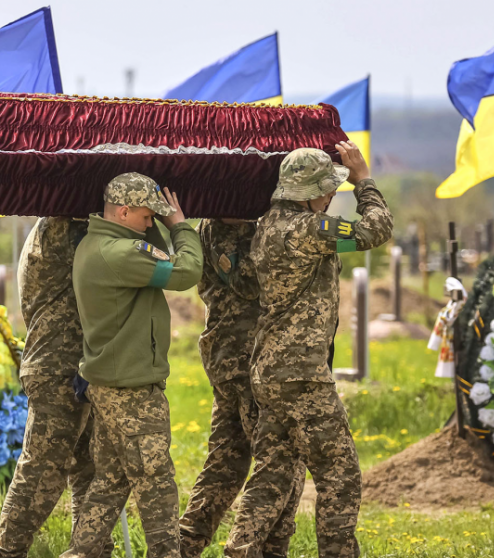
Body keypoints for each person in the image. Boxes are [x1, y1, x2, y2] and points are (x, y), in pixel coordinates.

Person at [224, 142, 393, 558]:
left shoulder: (268, 226)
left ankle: (239, 550)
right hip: (300, 374)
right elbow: (376, 230)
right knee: (340, 473)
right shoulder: (306, 230)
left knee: (272, 474)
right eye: (327, 189)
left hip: (270, 370)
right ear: (308, 193)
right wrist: (364, 181)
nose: (332, 196)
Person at [64, 172, 203, 558]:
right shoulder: (122, 254)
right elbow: (186, 272)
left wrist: (156, 218)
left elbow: (151, 252)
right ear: (124, 212)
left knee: (111, 478)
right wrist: (180, 227)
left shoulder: (96, 244)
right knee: (156, 480)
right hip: (131, 389)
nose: (151, 223)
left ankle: (82, 552)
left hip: (109, 383)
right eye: (146, 216)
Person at [178, 219, 304, 558]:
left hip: (235, 358)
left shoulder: (226, 223)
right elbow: (248, 282)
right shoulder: (228, 225)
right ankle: (257, 549)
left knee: (227, 461)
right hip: (247, 361)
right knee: (281, 460)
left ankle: (183, 546)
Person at [0, 216, 113, 558]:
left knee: (90, 464)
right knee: (44, 467)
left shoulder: (56, 227)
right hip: (59, 366)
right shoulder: (63, 230)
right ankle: (7, 550)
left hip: (75, 363)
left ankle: (93, 549)